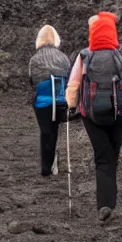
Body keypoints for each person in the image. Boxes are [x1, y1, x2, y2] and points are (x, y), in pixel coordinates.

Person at [66, 11, 122, 221]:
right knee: (113, 155)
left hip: (91, 115)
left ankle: (105, 205)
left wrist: (72, 105)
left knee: (102, 158)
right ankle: (111, 201)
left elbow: (73, 85)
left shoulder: (85, 55)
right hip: (119, 113)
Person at [29, 25, 71, 177]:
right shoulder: (63, 58)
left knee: (46, 131)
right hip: (60, 100)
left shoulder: (34, 59)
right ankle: (55, 161)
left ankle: (46, 167)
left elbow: (32, 81)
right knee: (55, 130)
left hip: (42, 102)